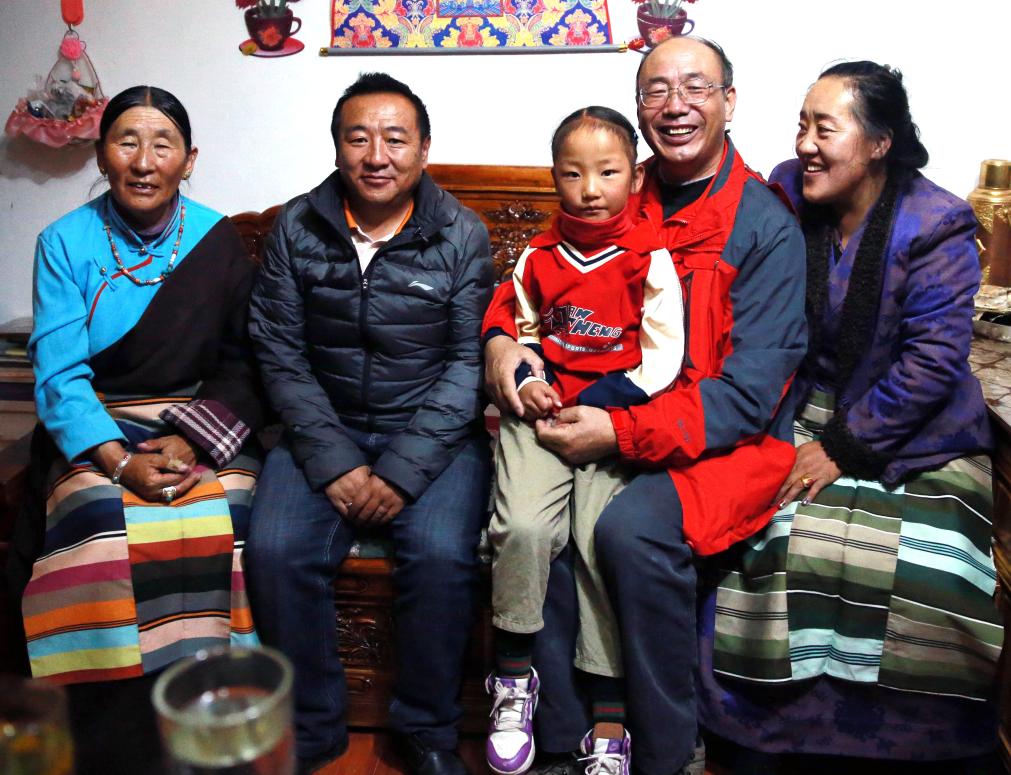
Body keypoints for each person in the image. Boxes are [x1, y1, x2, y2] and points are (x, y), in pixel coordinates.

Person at [483, 36, 807, 775]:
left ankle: (664, 749)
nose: (675, 105)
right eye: (656, 90)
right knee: (539, 516)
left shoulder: (762, 223)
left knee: (624, 530)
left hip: (723, 438)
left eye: (695, 87)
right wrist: (500, 342)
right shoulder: (619, 186)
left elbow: (748, 394)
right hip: (615, 412)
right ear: (638, 110)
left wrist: (619, 431)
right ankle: (560, 740)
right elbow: (538, 284)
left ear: (729, 102)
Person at [697, 61, 1003, 772]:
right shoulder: (784, 191)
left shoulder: (937, 222)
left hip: (916, 427)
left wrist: (840, 447)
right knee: (767, 532)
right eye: (801, 124)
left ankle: (914, 745)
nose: (804, 143)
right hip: (800, 406)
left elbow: (931, 364)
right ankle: (761, 733)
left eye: (824, 128)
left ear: (877, 144)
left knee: (931, 563)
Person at [9, 85, 265, 773]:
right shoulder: (63, 242)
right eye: (127, 142)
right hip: (96, 423)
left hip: (198, 419)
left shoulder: (216, 240)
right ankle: (112, 738)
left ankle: (216, 717)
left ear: (189, 159)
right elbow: (59, 373)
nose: (144, 161)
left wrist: (194, 438)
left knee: (225, 512)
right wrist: (118, 462)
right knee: (99, 521)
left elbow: (244, 362)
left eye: (162, 144)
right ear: (102, 154)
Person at [246, 72, 493, 775]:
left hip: (432, 432)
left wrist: (399, 472)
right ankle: (314, 726)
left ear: (424, 149)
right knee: (274, 549)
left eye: (394, 139)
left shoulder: (460, 232)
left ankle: (427, 731)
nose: (376, 155)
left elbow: (467, 362)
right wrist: (336, 462)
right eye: (358, 138)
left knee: (442, 554)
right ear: (337, 148)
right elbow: (279, 353)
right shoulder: (297, 227)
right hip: (324, 425)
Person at [483, 106, 683, 775]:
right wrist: (530, 378)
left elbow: (662, 359)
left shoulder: (648, 259)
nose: (590, 189)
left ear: (635, 176)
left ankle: (609, 716)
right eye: (573, 174)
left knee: (600, 540)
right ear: (554, 178)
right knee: (520, 525)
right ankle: (513, 676)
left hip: (609, 421)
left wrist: (594, 405)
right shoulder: (538, 257)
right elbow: (523, 332)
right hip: (541, 417)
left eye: (607, 172)